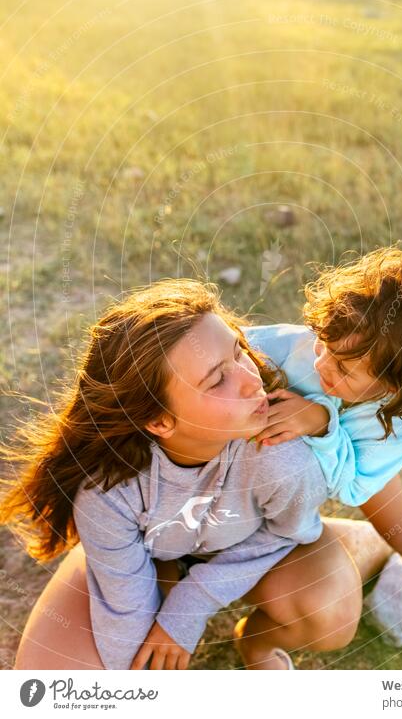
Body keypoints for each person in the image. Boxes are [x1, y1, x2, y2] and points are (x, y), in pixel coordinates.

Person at [0, 279, 370, 671]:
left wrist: (189, 607)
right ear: (159, 421)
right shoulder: (106, 494)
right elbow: (126, 629)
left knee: (330, 612)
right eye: (217, 379)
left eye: (238, 352)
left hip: (256, 539)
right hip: (154, 551)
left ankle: (367, 542)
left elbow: (285, 532)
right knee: (55, 685)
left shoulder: (281, 457)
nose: (251, 380)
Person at [243, 247, 402, 670]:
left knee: (379, 548)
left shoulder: (397, 421)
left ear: (395, 386)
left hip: (268, 525)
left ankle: (256, 644)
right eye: (325, 345)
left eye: (344, 368)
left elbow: (356, 488)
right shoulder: (286, 350)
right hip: (197, 498)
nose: (322, 364)